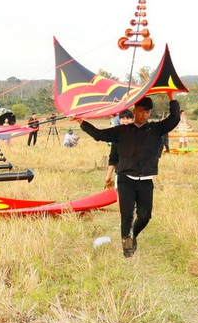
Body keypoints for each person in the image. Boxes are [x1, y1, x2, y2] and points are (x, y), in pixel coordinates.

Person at [76, 95, 180, 258]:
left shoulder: (156, 129)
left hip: (146, 181)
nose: (144, 115)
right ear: (134, 111)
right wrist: (81, 122)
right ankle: (127, 246)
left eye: (148, 112)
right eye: (141, 112)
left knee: (145, 216)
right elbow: (98, 134)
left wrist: (171, 96)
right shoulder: (121, 131)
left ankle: (133, 234)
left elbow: (175, 119)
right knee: (127, 215)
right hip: (126, 180)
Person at [104, 110, 134, 188]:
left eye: (127, 118)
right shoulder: (116, 136)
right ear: (119, 120)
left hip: (136, 174)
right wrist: (108, 176)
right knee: (120, 197)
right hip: (121, 173)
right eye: (122, 119)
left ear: (132, 119)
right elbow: (113, 158)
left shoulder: (139, 134)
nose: (125, 121)